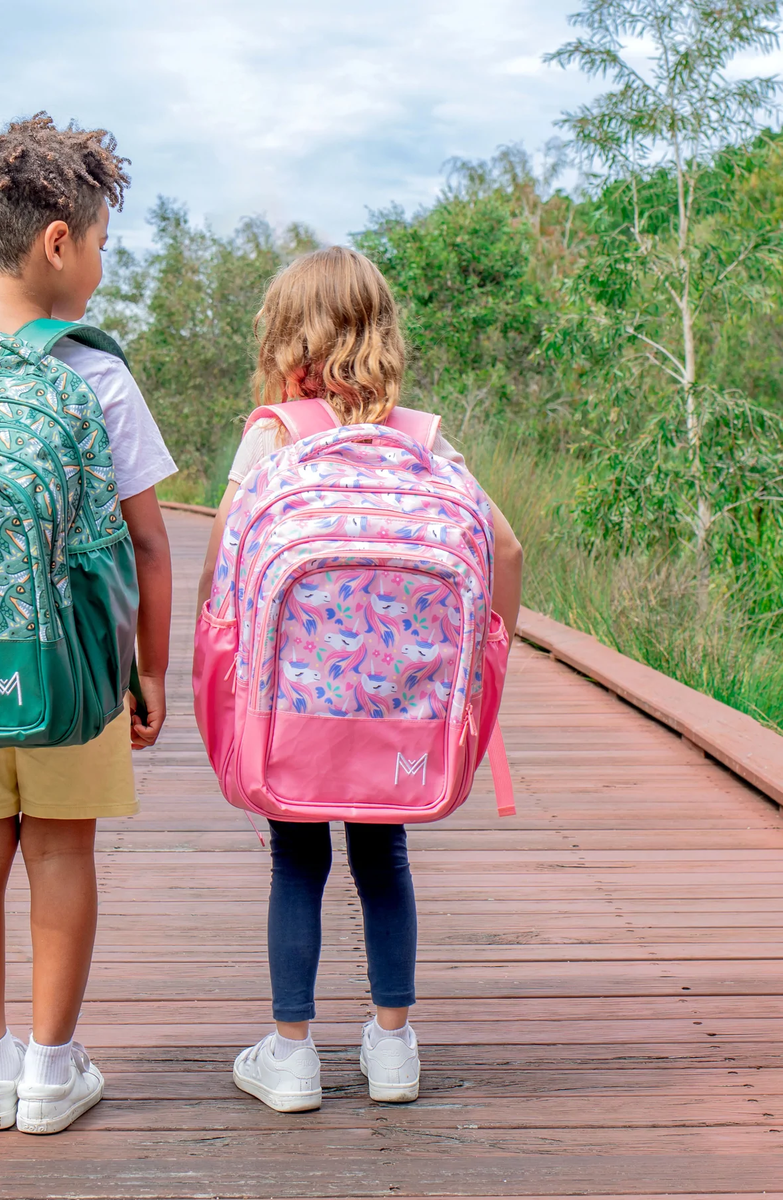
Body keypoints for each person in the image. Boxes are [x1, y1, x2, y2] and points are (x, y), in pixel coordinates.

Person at [196, 246, 523, 1112]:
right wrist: (488, 660)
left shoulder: (274, 433)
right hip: (404, 710)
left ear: (285, 336)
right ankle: (391, 1048)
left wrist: (213, 649)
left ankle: (293, 1055)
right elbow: (508, 549)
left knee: (296, 861)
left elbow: (226, 553)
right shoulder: (422, 439)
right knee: (385, 854)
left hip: (290, 704)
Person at [0, 115, 175, 1134]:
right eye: (101, 244)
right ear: (58, 242)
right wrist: (149, 674)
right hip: (71, 665)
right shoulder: (92, 372)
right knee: (62, 852)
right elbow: (150, 545)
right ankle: (50, 1073)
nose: (100, 267)